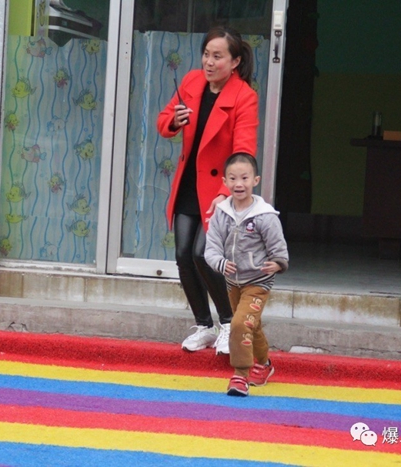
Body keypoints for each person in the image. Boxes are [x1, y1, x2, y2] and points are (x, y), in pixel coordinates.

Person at [156, 26, 259, 354]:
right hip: (189, 183)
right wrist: (175, 120)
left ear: (235, 61)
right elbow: (163, 123)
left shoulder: (244, 96)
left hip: (220, 189)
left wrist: (225, 191)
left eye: (218, 56)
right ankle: (204, 325)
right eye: (206, 54)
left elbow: (243, 151)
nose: (209, 62)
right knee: (183, 255)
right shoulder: (191, 81)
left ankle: (228, 323)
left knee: (204, 254)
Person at [204, 153, 289, 397]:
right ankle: (265, 364)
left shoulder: (265, 215)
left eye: (244, 178)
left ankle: (240, 375)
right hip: (233, 282)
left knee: (240, 324)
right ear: (225, 182)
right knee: (251, 324)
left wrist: (278, 264)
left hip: (258, 282)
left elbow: (279, 248)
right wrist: (220, 263)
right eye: (232, 178)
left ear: (255, 180)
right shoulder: (221, 213)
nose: (238, 184)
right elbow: (211, 249)